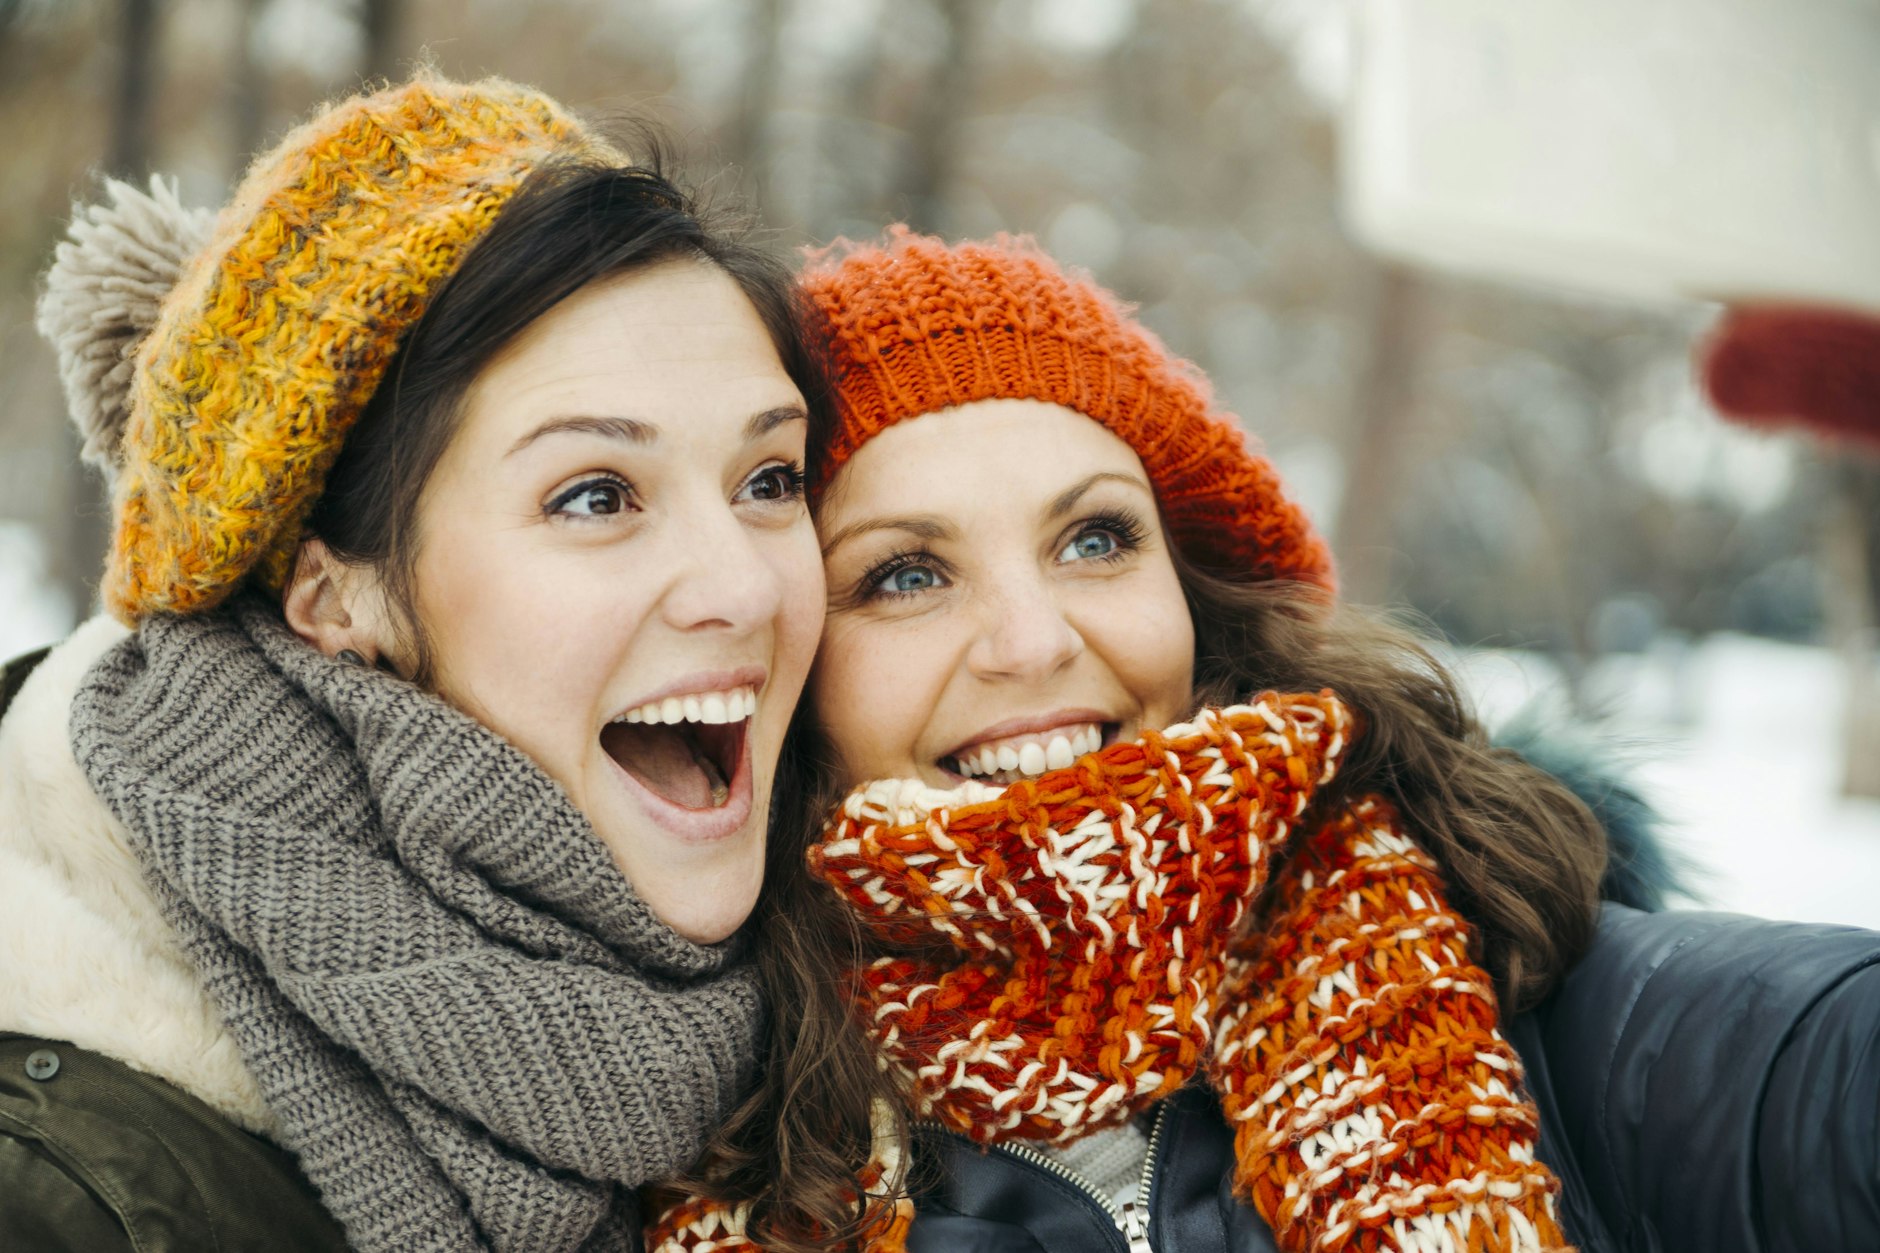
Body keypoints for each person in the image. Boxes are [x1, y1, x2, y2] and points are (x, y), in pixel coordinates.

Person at [648, 228, 1880, 1253]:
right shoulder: (664, 1118)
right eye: (906, 574)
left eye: (1093, 540)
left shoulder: (1535, 986)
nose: (1032, 641)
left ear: (1195, 586)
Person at [0, 75, 880, 1252]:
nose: (743, 586)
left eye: (768, 480)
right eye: (596, 496)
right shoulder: (61, 1199)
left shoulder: (860, 994)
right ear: (333, 595)